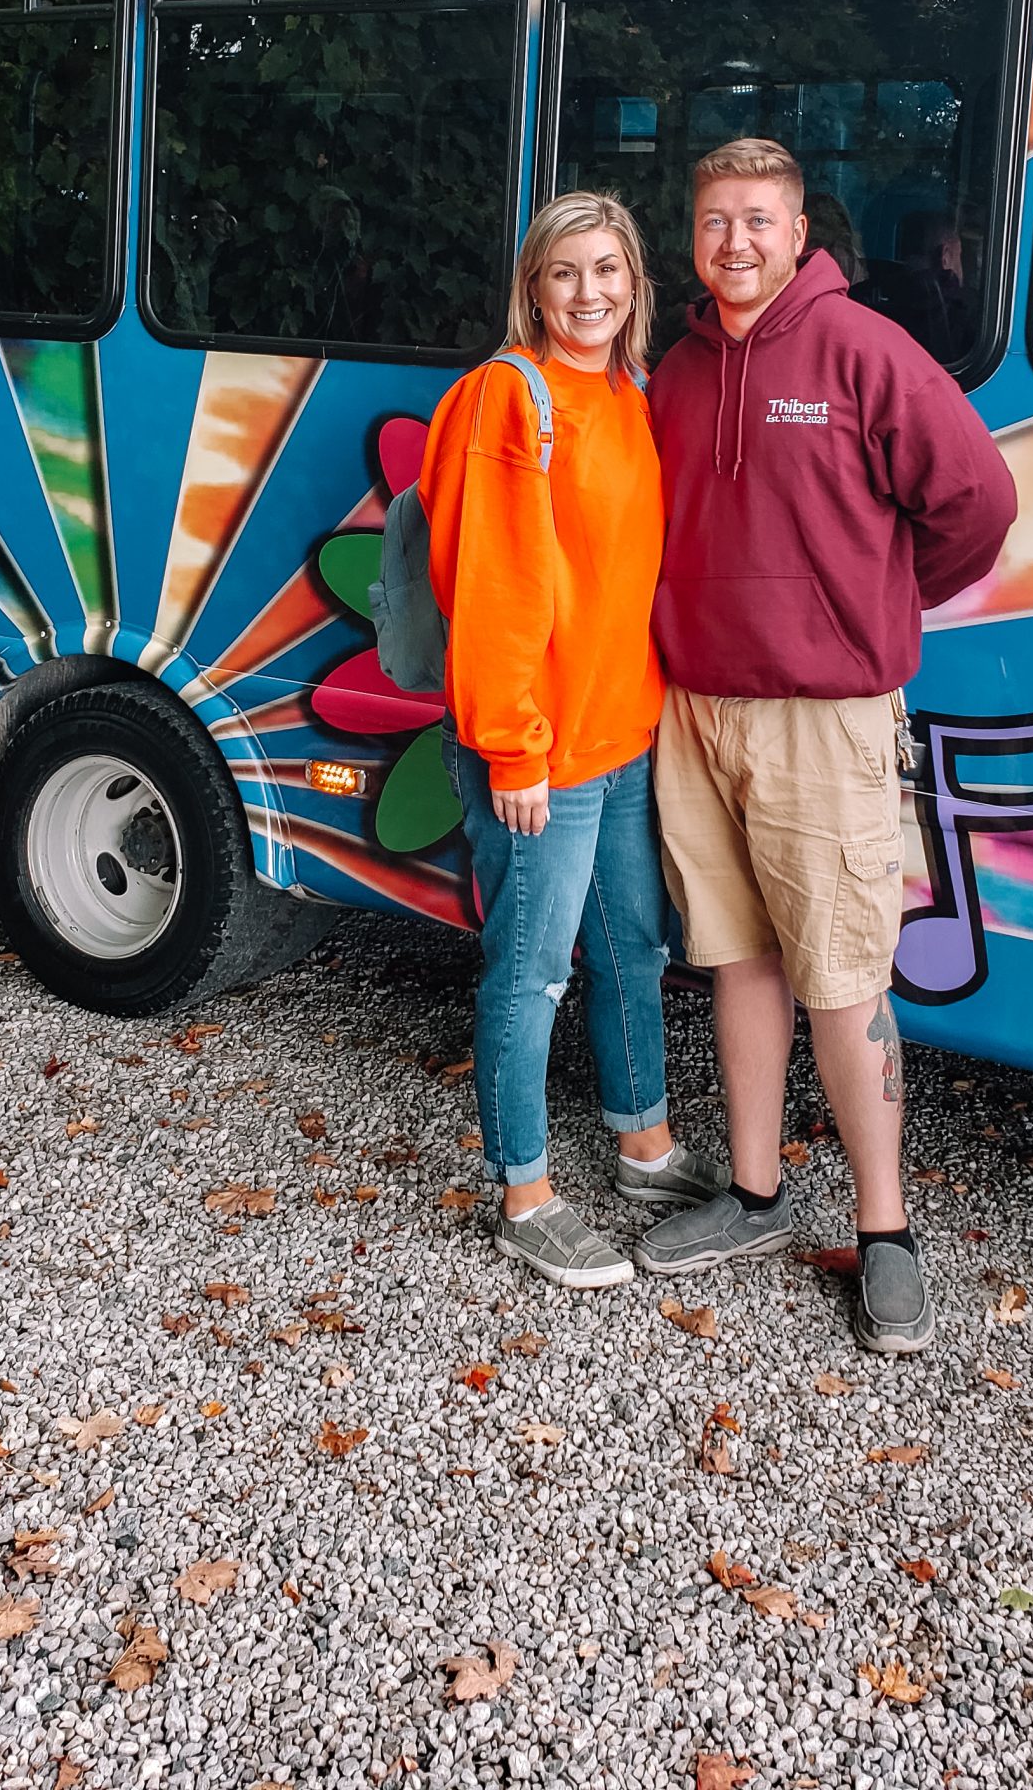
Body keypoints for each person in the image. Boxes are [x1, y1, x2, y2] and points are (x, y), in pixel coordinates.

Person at [636, 138, 1016, 1354]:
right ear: (690, 236)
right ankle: (754, 1195)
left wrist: (873, 604)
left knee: (845, 974)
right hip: (693, 709)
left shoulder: (862, 349)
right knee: (738, 959)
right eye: (713, 220)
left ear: (800, 235)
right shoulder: (676, 370)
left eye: (758, 219)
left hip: (823, 715)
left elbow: (979, 504)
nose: (734, 241)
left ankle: (887, 1233)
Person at [418, 191, 727, 1291]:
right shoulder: (512, 397)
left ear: (635, 284)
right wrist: (512, 746)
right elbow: (495, 587)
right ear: (532, 289)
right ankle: (526, 1194)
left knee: (632, 950)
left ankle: (642, 1143)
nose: (588, 292)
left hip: (622, 739)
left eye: (607, 270)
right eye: (564, 274)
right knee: (532, 971)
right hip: (540, 753)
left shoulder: (631, 392)